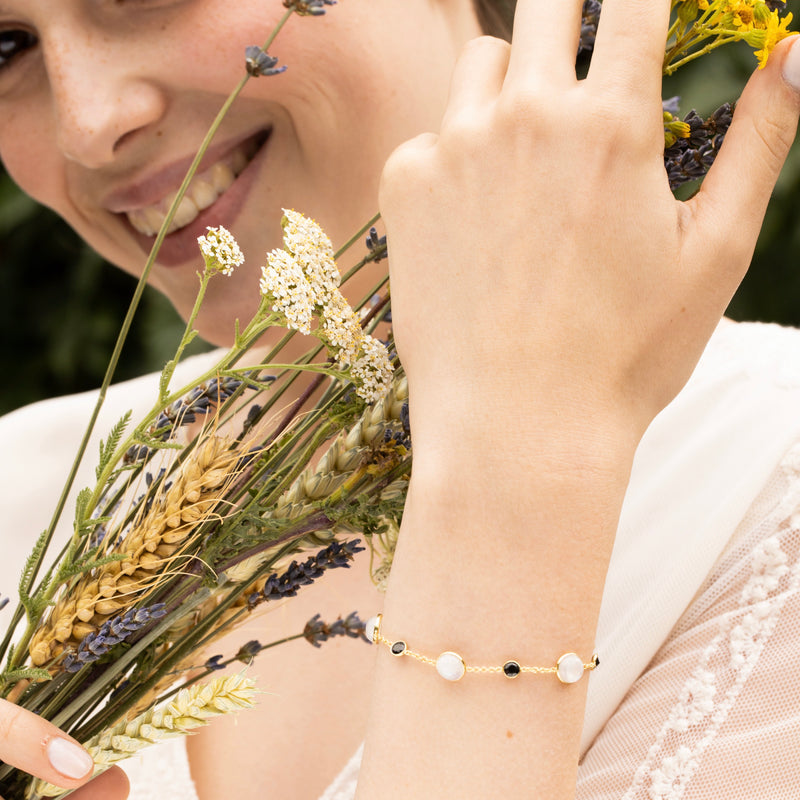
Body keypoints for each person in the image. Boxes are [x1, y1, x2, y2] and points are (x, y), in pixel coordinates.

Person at [1, 0, 799, 798]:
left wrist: (514, 466)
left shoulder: (771, 496)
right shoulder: (20, 493)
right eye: (4, 46)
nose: (88, 123)